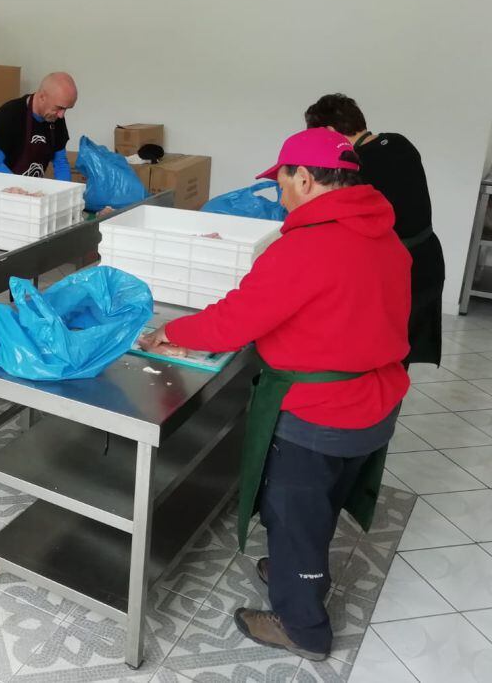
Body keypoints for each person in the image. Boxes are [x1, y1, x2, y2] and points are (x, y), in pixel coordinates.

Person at [141, 128, 411, 661]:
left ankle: (302, 624)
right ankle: (302, 569)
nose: (280, 194)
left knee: (294, 516)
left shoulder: (307, 246)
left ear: (306, 179)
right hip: (375, 404)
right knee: (323, 505)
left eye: (283, 182)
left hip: (319, 415)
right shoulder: (384, 234)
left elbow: (234, 322)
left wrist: (172, 333)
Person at [305, 93, 445, 366]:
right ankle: (389, 400)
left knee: (385, 349)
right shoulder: (399, 142)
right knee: (401, 347)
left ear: (331, 131)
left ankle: (380, 403)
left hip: (398, 268)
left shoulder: (356, 168)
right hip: (428, 258)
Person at [0, 72, 77, 179]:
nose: (61, 115)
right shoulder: (9, 114)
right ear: (42, 97)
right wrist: (23, 191)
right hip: (2, 190)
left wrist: (66, 193)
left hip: (31, 190)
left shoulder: (56, 118)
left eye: (66, 109)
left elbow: (61, 163)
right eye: (59, 108)